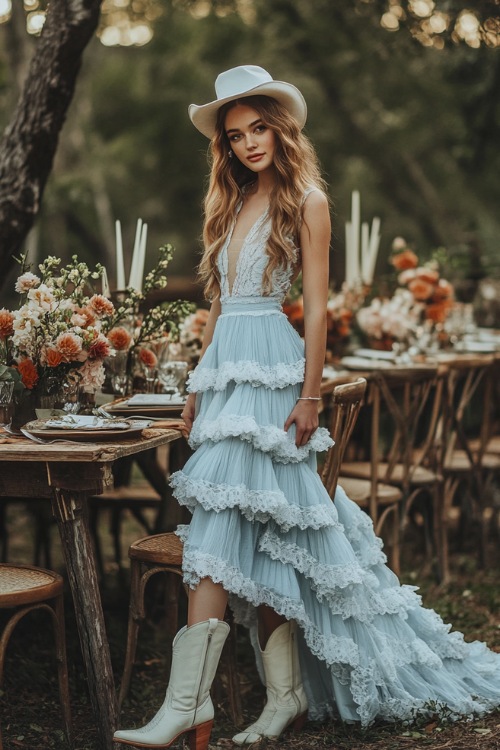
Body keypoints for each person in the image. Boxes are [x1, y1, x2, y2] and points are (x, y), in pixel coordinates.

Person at [114, 65, 500, 750]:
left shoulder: (308, 200)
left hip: (275, 373)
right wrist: (197, 392)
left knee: (249, 539)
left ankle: (195, 707)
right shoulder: (229, 204)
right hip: (228, 373)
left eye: (258, 128)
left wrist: (311, 395)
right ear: (226, 147)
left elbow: (318, 307)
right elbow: (217, 306)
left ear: (280, 129)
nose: (248, 144)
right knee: (246, 540)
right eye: (236, 136)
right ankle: (261, 702)